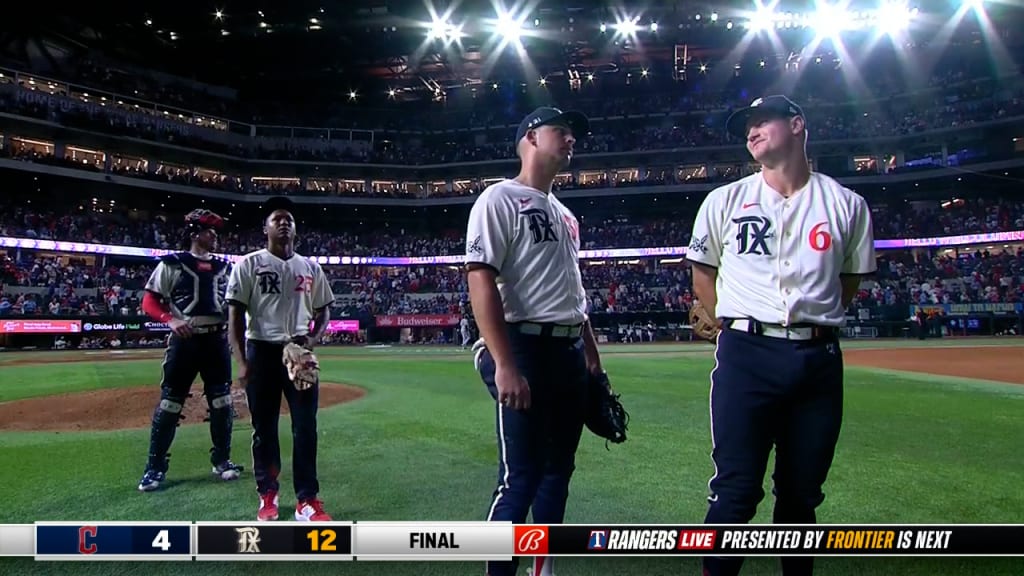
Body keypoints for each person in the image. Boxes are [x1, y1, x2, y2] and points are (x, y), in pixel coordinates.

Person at [686, 95, 877, 576]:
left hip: (817, 358)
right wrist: (726, 325)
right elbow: (702, 273)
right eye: (745, 126)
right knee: (735, 491)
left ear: (797, 125)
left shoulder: (846, 204)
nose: (750, 131)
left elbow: (849, 280)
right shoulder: (724, 200)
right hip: (747, 354)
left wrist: (815, 318)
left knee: (801, 494)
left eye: (760, 121)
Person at [466, 107, 607, 576]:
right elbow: (480, 279)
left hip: (567, 349)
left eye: (573, 133)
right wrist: (503, 363)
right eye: (561, 131)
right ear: (530, 136)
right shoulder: (498, 199)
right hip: (521, 345)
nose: (571, 139)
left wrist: (592, 359)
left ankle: (542, 567)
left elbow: (574, 291)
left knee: (557, 471)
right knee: (519, 478)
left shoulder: (567, 215)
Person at [226, 196, 335, 522]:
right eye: (277, 219)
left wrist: (313, 341)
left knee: (306, 428)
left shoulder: (310, 266)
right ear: (266, 228)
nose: (284, 223)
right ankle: (268, 494)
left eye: (289, 218)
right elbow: (235, 316)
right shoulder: (248, 264)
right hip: (262, 350)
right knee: (265, 429)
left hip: (299, 351)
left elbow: (324, 309)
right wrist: (243, 362)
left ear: (296, 228)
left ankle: (307, 500)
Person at [137, 208, 242, 492]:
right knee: (171, 403)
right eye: (210, 232)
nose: (215, 237)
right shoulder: (172, 264)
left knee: (222, 402)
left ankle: (222, 460)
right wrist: (169, 319)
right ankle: (154, 468)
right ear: (195, 234)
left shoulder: (226, 267)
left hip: (216, 341)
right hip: (186, 341)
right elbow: (150, 301)